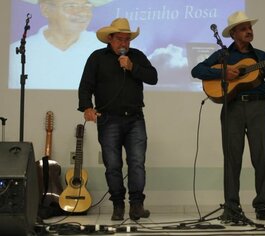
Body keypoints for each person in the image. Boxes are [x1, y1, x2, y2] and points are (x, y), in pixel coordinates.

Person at [191, 11, 265, 223]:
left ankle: (262, 206)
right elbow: (197, 70)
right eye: (243, 28)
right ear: (233, 34)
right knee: (232, 159)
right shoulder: (223, 57)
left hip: (259, 108)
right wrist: (223, 73)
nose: (249, 31)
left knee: (262, 156)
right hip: (233, 108)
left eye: (250, 28)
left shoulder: (263, 57)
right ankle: (232, 207)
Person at [78, 18, 158, 221]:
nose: (124, 44)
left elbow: (153, 77)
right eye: (120, 39)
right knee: (112, 165)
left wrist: (132, 67)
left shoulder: (136, 57)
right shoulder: (97, 58)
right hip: (108, 120)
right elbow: (86, 85)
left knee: (137, 163)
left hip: (135, 119)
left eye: (127, 40)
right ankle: (118, 205)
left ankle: (137, 206)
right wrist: (87, 107)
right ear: (110, 39)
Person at [9, 0, 112, 89]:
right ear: (46, 10)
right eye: (71, 6)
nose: (82, 13)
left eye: (87, 6)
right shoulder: (18, 51)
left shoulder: (102, 48)